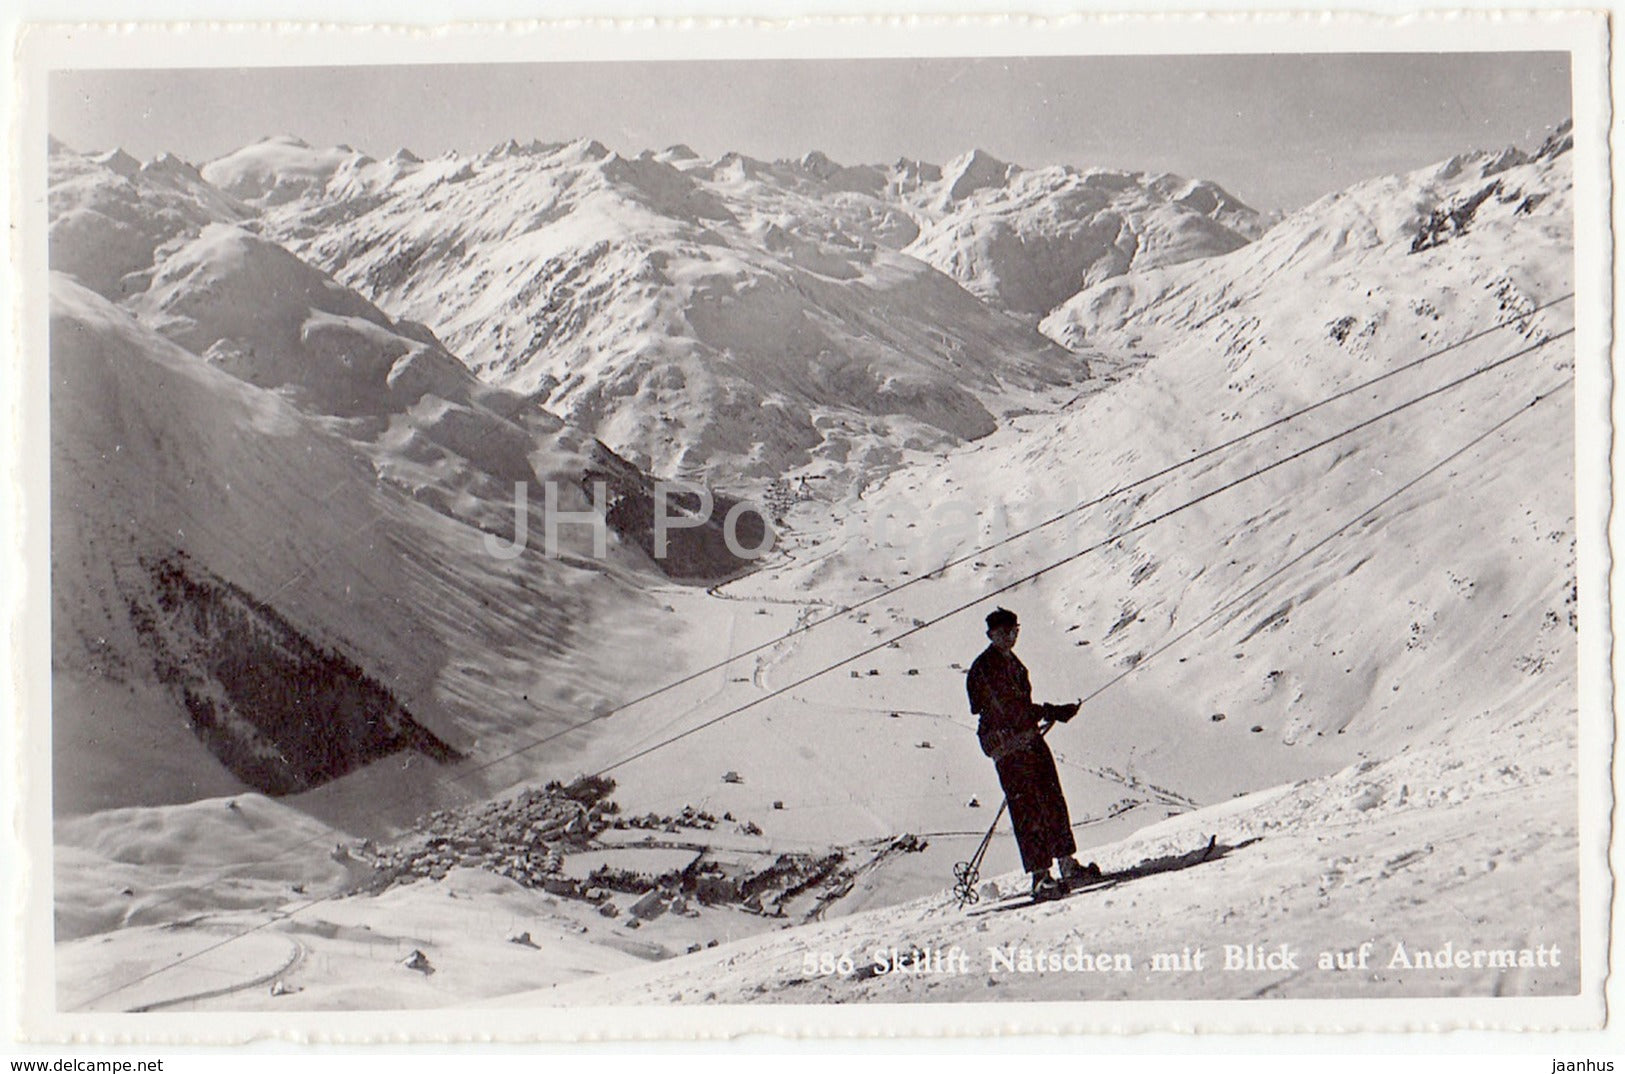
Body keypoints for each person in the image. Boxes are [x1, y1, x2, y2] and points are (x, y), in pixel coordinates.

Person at [966, 607, 1101, 901]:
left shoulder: (1012, 663)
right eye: (1005, 633)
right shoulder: (985, 668)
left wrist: (1047, 713)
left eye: (1014, 631)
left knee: (1052, 799)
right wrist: (1051, 712)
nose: (1010, 637)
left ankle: (1066, 863)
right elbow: (1009, 708)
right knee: (1028, 810)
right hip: (1008, 747)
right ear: (991, 635)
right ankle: (1040, 877)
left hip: (1027, 739)